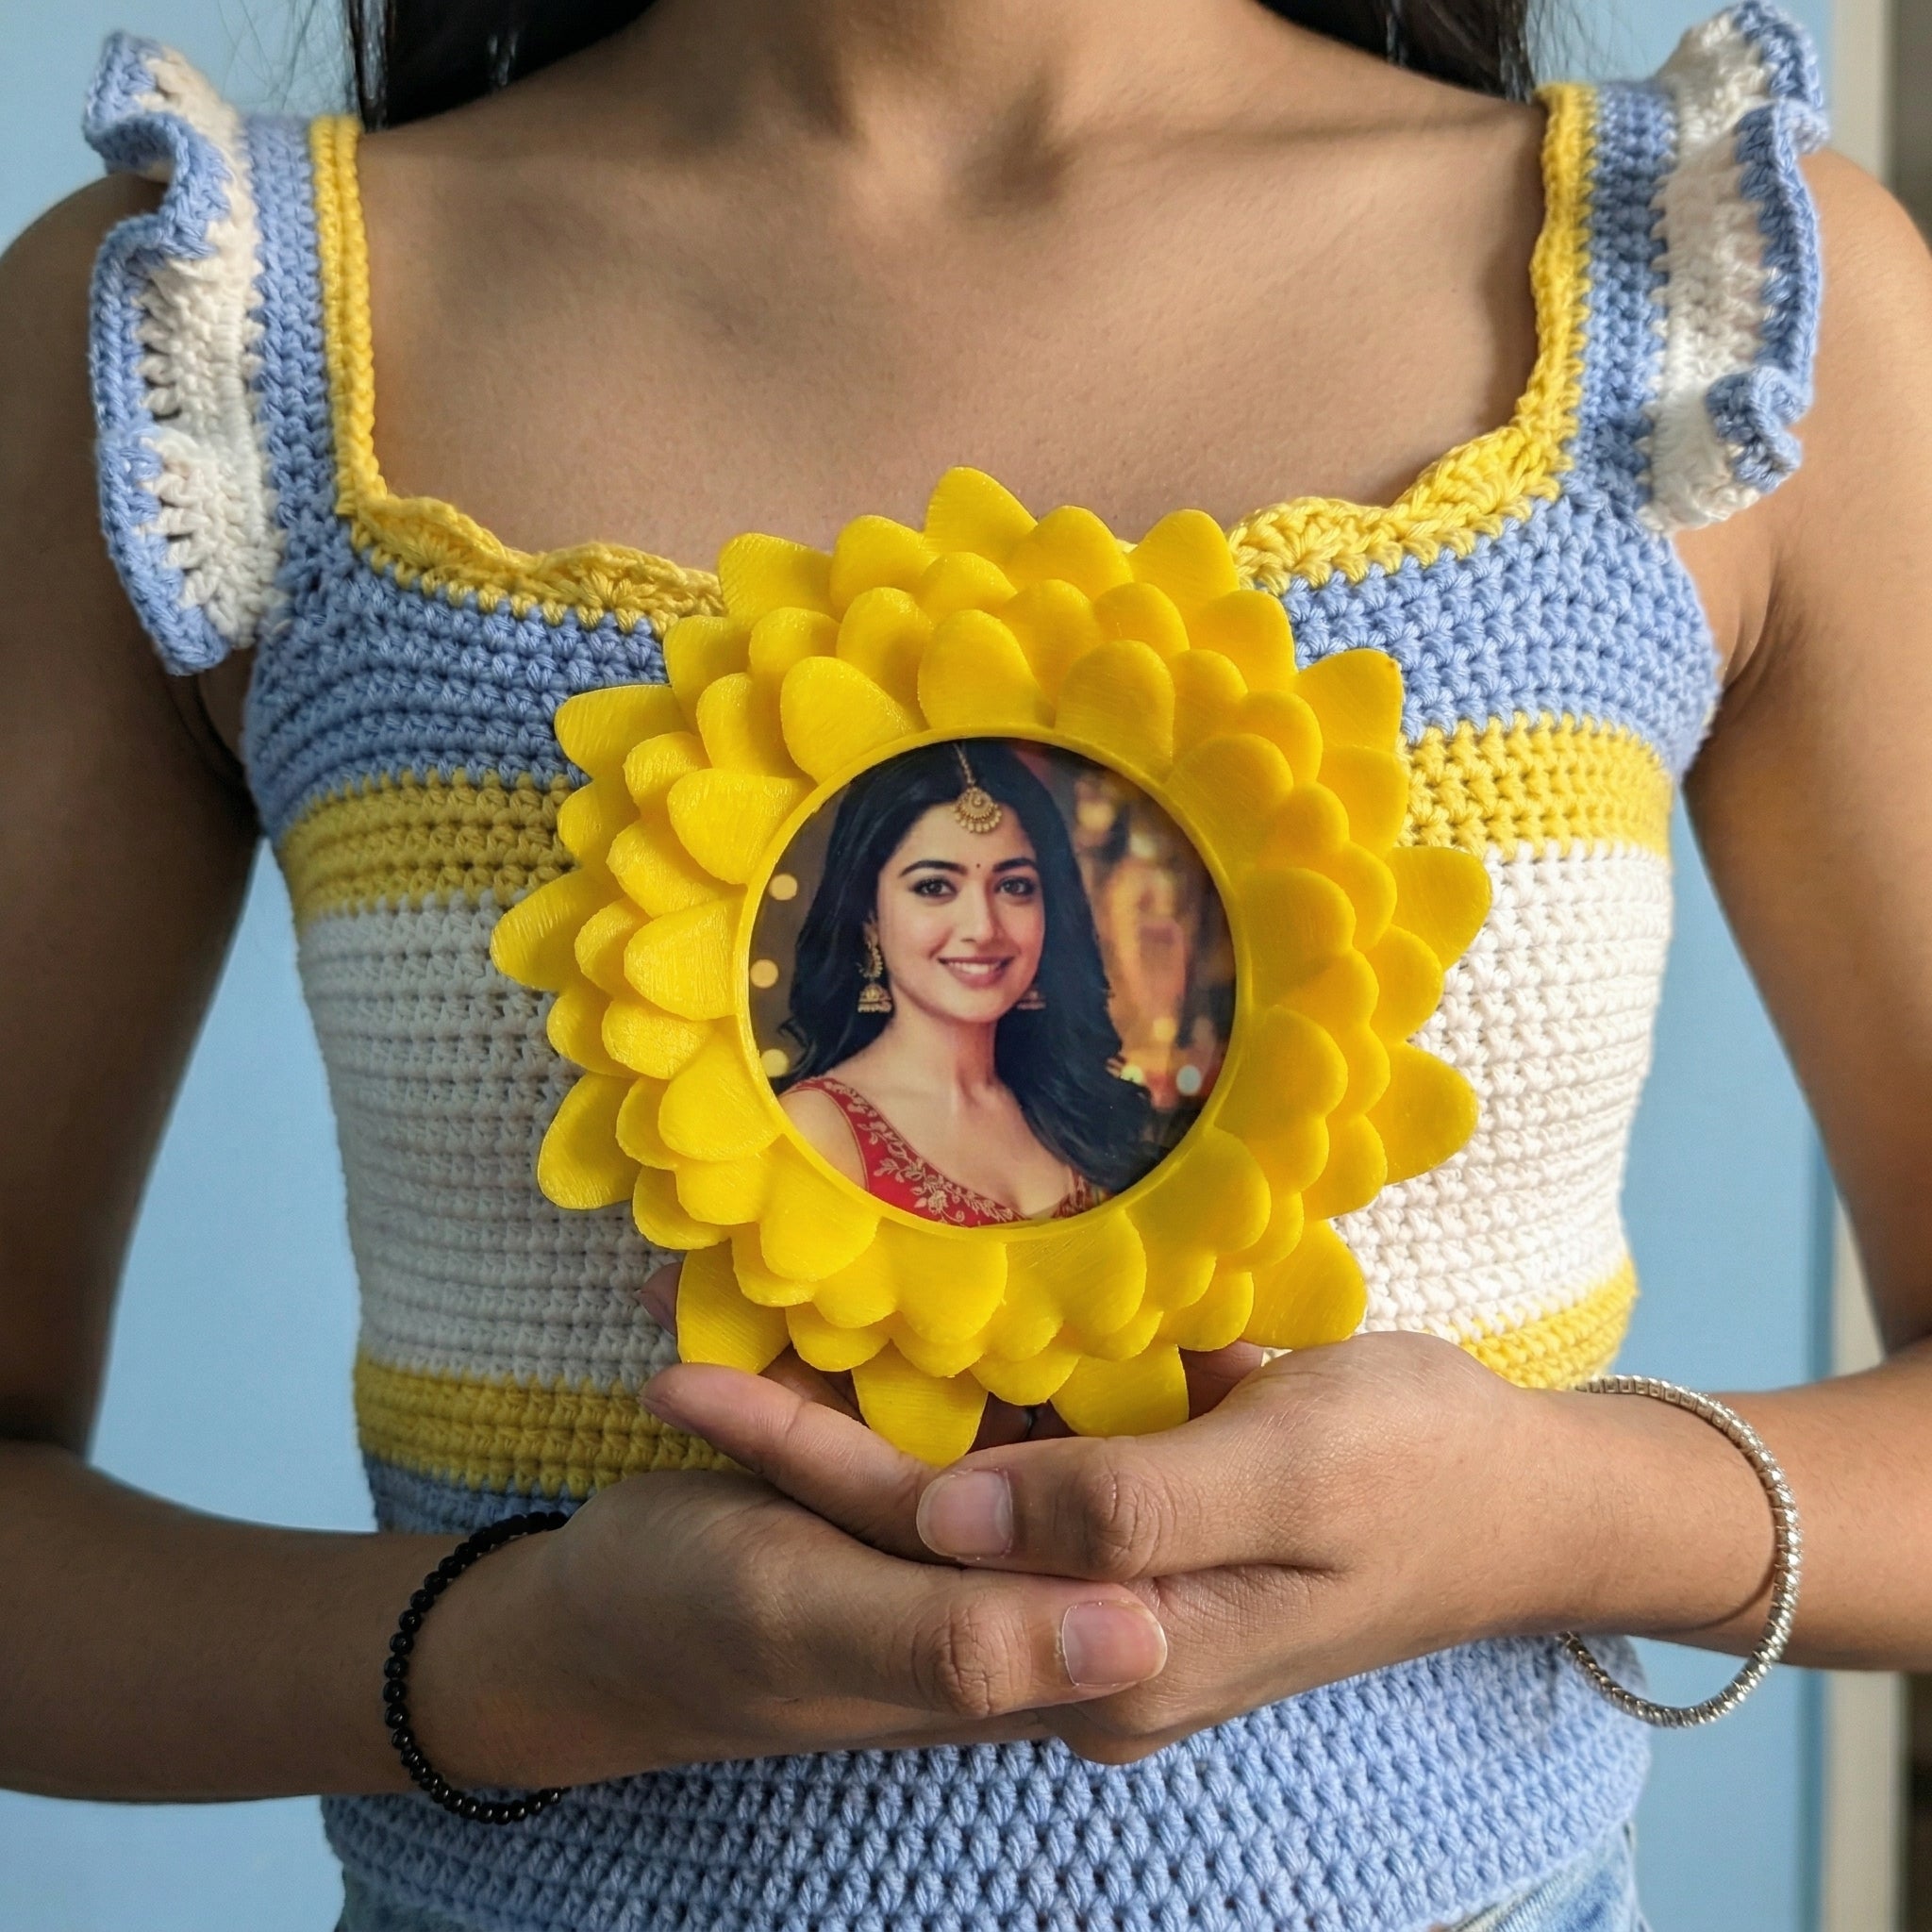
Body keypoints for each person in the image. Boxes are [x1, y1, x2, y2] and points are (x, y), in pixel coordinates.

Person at [2, 1, 1930, 1929]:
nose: (988, 928)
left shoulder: (1718, 294)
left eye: (1024, 897)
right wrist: (517, 1664)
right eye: (936, 890)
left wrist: (1555, 1518)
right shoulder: (197, 330)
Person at [776, 739, 1154, 1224]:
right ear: (868, 916)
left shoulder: (1079, 1105)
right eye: (935, 887)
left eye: (1014, 886)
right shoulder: (819, 1131)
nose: (982, 927)